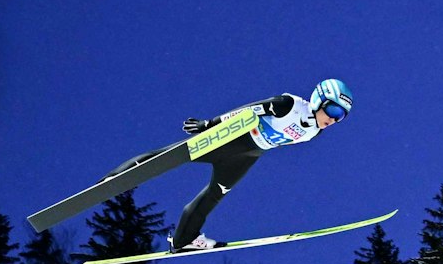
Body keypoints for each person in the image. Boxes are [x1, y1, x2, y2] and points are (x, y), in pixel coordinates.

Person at [124, 77, 353, 251]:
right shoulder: (288, 105)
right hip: (231, 141)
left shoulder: (314, 132)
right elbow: (247, 111)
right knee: (169, 156)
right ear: (318, 99)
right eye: (333, 110)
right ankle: (117, 177)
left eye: (341, 116)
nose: (333, 119)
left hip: (247, 156)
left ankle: (184, 239)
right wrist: (209, 125)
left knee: (214, 195)